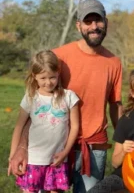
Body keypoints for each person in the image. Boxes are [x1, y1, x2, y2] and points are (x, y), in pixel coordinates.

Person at [9, 0, 123, 193]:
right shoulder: (58, 58)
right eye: (88, 21)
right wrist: (21, 147)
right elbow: (37, 106)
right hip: (51, 147)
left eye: (98, 20)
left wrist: (123, 141)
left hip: (93, 147)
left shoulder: (114, 63)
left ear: (106, 22)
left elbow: (115, 105)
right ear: (79, 25)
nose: (94, 26)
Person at [9, 51, 80, 193]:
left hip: (57, 160)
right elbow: (19, 127)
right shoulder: (31, 97)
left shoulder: (69, 97)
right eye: (43, 78)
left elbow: (75, 127)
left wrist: (65, 152)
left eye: (52, 77)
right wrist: (13, 157)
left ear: (58, 73)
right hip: (33, 160)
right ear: (34, 76)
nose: (48, 82)